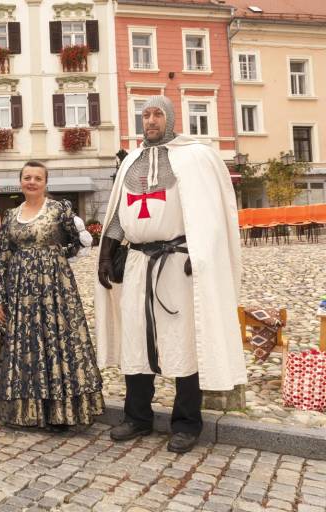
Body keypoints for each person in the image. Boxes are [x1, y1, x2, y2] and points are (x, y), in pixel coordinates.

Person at [94, 95, 246, 453]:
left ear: (171, 118)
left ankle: (187, 423)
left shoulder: (195, 157)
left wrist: (201, 253)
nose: (150, 120)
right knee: (136, 338)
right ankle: (137, 417)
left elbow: (208, 212)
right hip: (137, 263)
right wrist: (106, 254)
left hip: (178, 263)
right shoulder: (131, 160)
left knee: (183, 339)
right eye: (145, 114)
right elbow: (118, 215)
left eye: (157, 114)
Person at [0, 161, 104, 431]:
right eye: (27, 177)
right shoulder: (11, 215)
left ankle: (59, 413)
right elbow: (4, 256)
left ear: (45, 183)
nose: (31, 182)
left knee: (56, 342)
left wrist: (53, 259)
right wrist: (0, 298)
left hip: (54, 290)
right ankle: (28, 411)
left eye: (37, 178)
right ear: (20, 181)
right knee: (27, 345)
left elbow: (78, 242)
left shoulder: (59, 209)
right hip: (21, 292)